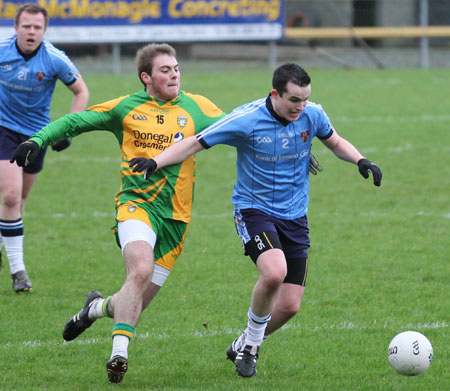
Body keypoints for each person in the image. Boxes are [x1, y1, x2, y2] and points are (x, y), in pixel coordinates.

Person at [125, 63, 382, 378]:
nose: (300, 108)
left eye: (304, 99)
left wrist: (361, 160)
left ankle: (243, 342)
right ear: (275, 94)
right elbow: (195, 142)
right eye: (293, 101)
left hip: (296, 216)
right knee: (274, 272)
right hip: (254, 210)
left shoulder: (312, 114)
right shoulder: (246, 119)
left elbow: (335, 141)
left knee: (289, 307)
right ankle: (251, 350)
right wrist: (155, 160)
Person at [10, 42, 228, 384]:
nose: (174, 75)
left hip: (176, 220)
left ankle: (94, 309)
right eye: (165, 70)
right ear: (146, 77)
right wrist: (39, 140)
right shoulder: (126, 108)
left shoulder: (197, 107)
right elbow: (76, 121)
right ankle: (118, 356)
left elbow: (244, 127)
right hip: (135, 207)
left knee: (133, 300)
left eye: (176, 68)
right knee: (139, 269)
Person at [0, 3, 89, 293]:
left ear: (44, 31)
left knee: (19, 202)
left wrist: (67, 127)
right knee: (11, 198)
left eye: (37, 27)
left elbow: (81, 91)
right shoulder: (2, 49)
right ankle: (18, 273)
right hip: (3, 128)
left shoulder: (54, 59)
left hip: (37, 136)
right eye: (26, 26)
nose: (31, 31)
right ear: (16, 28)